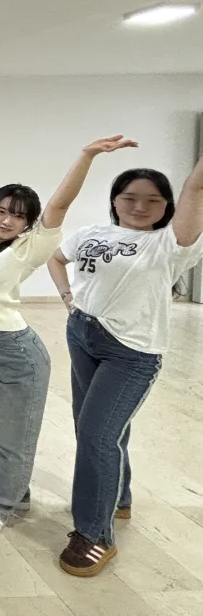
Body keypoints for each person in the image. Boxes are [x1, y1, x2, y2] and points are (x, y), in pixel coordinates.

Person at [0, 136, 137, 541]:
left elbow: (59, 204)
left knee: (13, 435)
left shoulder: (28, 248)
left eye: (17, 216)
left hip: (16, 353)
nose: (6, 221)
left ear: (29, 223)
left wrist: (87, 155)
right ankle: (14, 493)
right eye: (1, 211)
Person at [46, 147, 203, 577]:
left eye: (153, 200)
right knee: (99, 428)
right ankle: (119, 498)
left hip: (131, 352)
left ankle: (95, 534)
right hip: (83, 334)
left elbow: (196, 188)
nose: (139, 206)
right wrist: (67, 297)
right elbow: (56, 258)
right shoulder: (93, 232)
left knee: (96, 435)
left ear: (168, 206)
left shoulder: (171, 244)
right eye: (129, 197)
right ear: (114, 200)